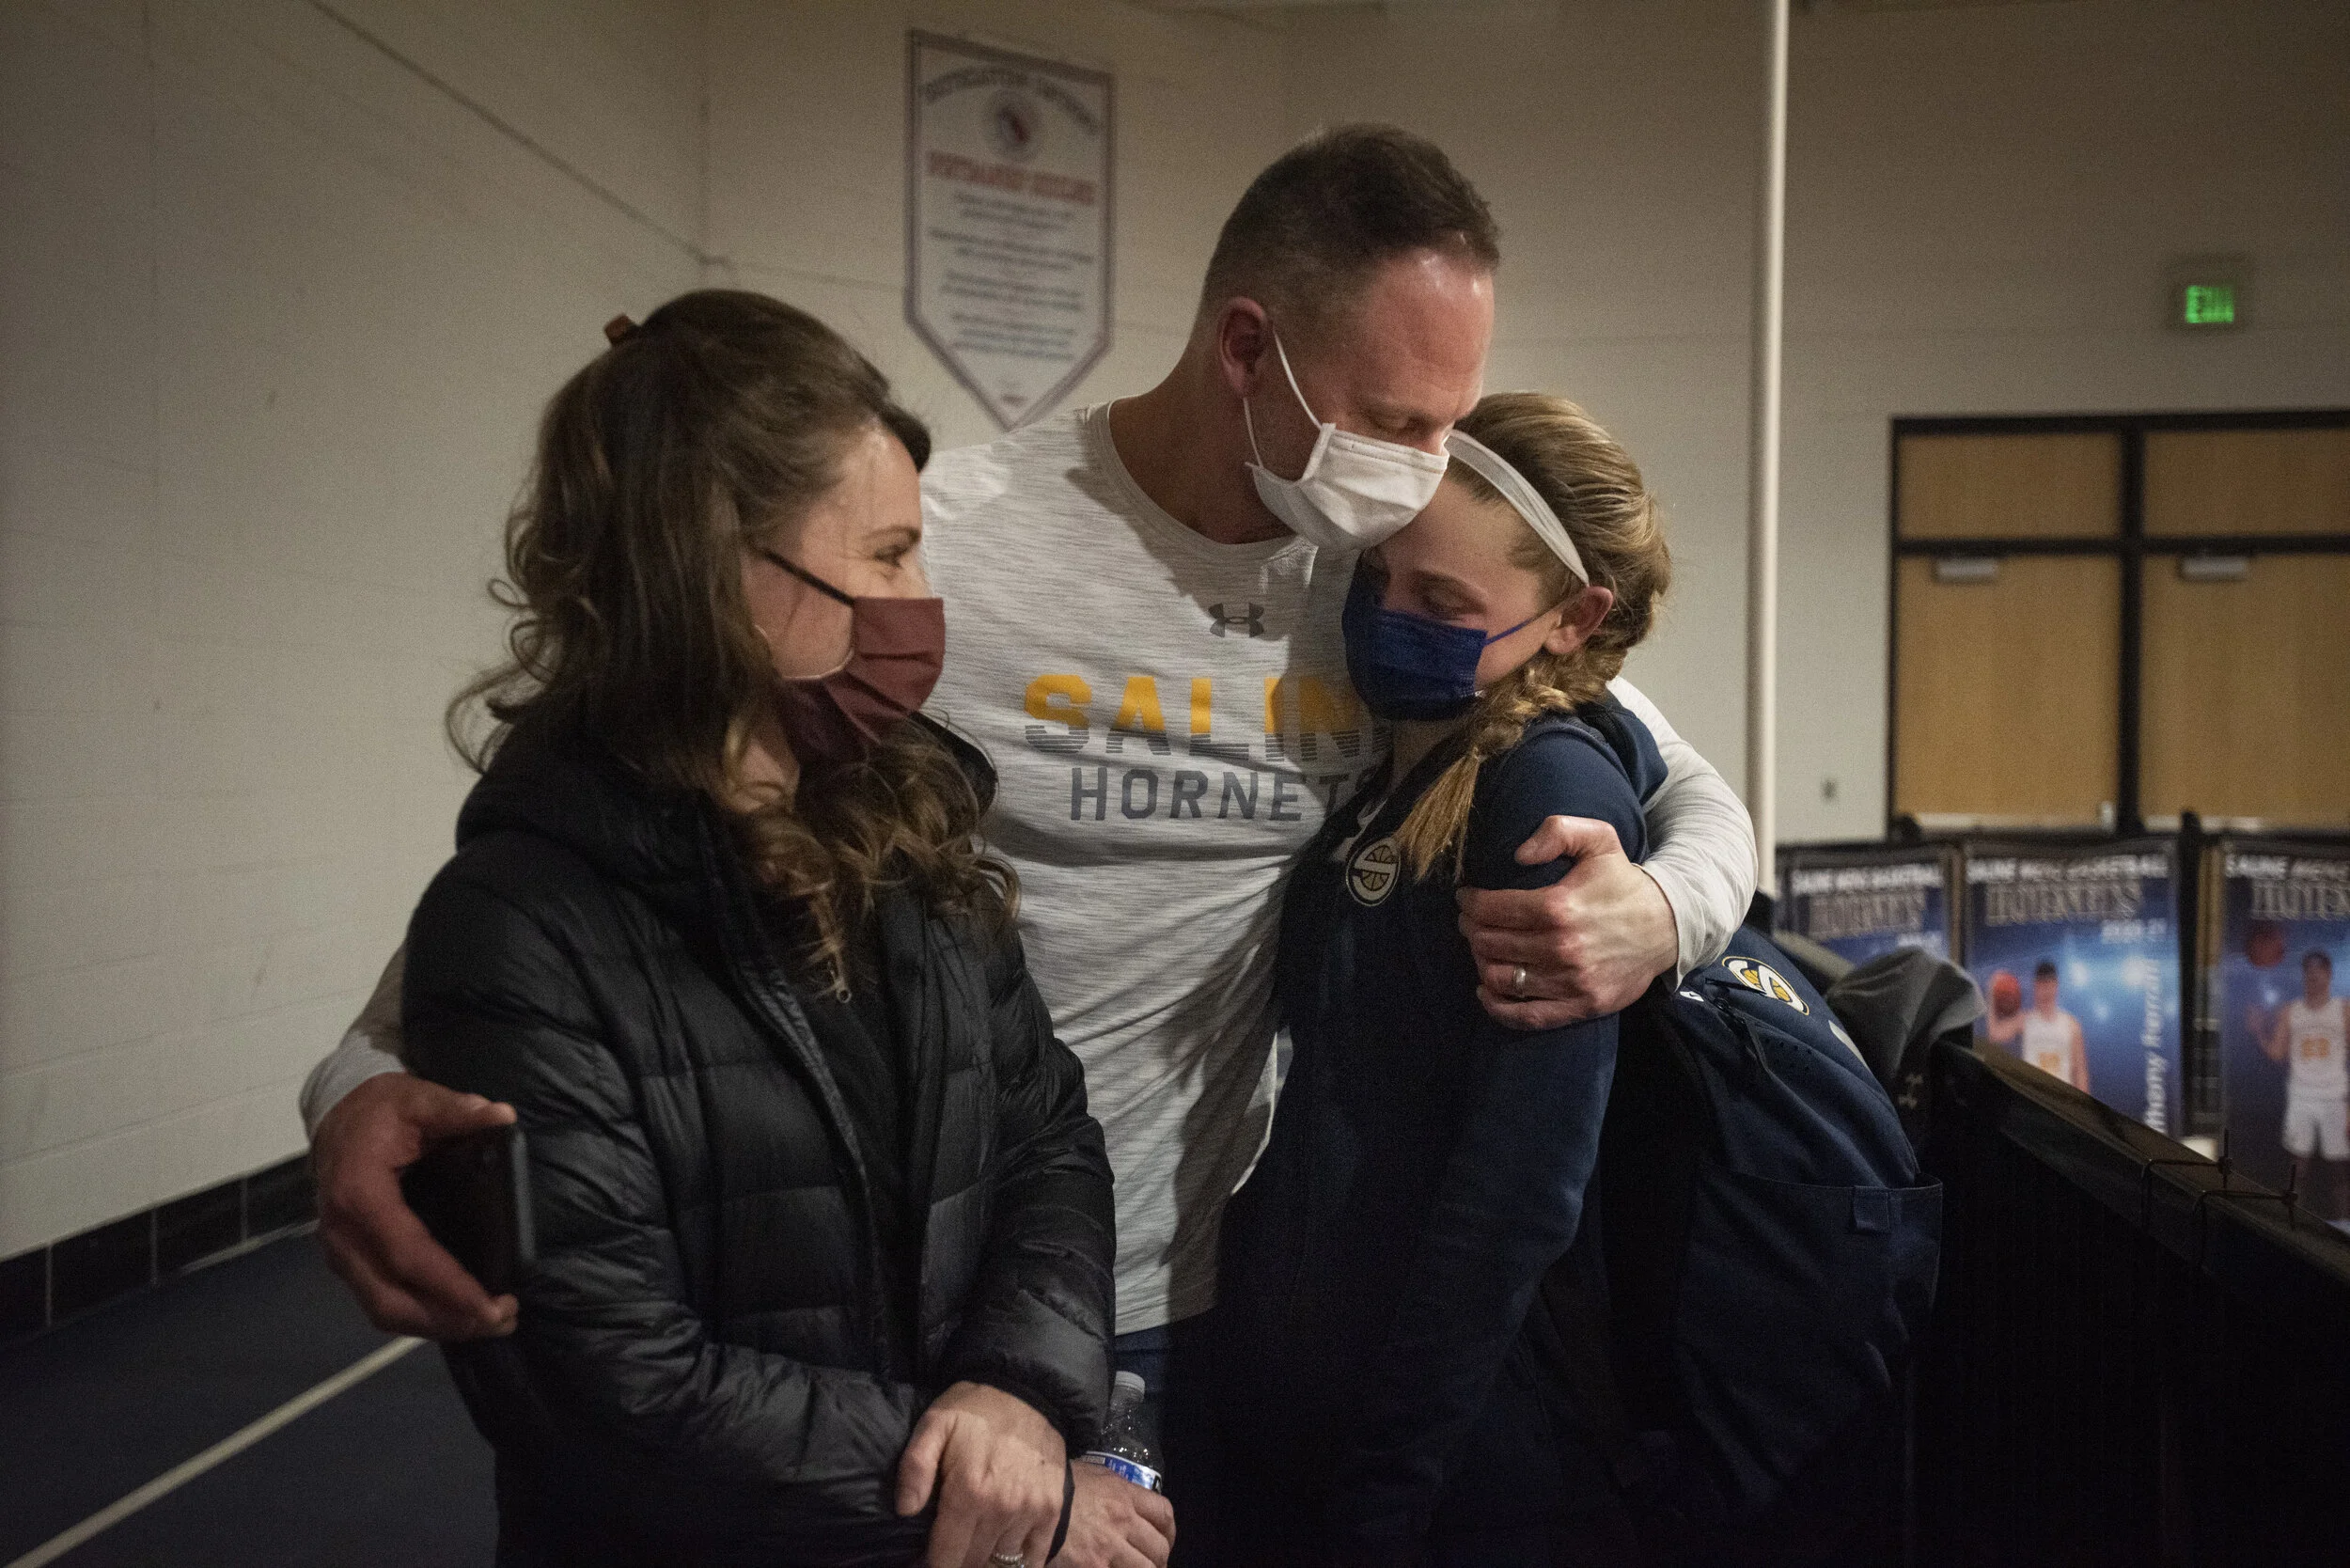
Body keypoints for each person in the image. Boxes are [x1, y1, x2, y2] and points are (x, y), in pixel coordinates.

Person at [302, 126, 1758, 1566]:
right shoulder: (949, 544)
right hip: (944, 1294)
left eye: (1453, 421)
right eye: (1394, 420)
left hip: (1218, 1289)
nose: (1429, 466)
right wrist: (364, 1079)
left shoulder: (1378, 574)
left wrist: (1665, 918)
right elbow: (599, 818)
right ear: (1249, 349)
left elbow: (1694, 790)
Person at [396, 291, 1115, 1567]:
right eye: (888, 555)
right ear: (719, 571)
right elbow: (609, 1392)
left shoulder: (915, 835)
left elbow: (1048, 1139)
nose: (922, 602)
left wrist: (1015, 1394)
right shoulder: (517, 928)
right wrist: (997, 1490)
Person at [1216, 394, 1668, 1566]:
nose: (1388, 619)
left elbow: (1515, 1195)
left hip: (1463, 1470)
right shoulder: (1417, 757)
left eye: (1442, 604)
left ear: (1575, 618)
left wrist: (1384, 1492)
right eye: (1381, 581)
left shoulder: (1542, 795)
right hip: (1323, 1424)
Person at [2258, 950, 2349, 1219]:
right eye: (2309, 973)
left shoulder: (2343, 1010)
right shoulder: (2291, 1011)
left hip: (2335, 1097)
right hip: (2302, 1097)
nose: (2314, 978)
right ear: (2303, 976)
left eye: (2319, 972)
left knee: (2340, 1169)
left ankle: (2344, 1231)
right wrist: (2259, 1032)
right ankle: (2290, 1225)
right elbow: (2277, 1053)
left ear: (2329, 975)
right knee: (2298, 1167)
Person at [1985, 960, 2089, 1092]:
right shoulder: (2024, 1020)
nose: (2045, 991)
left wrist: (2083, 1109)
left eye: (2049, 985)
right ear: (2035, 987)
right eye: (2041, 985)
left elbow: (2080, 1071)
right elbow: (1994, 1035)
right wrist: (1991, 993)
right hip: (2033, 1099)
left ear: (2056, 986)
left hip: (2061, 1101)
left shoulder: (2072, 1025)